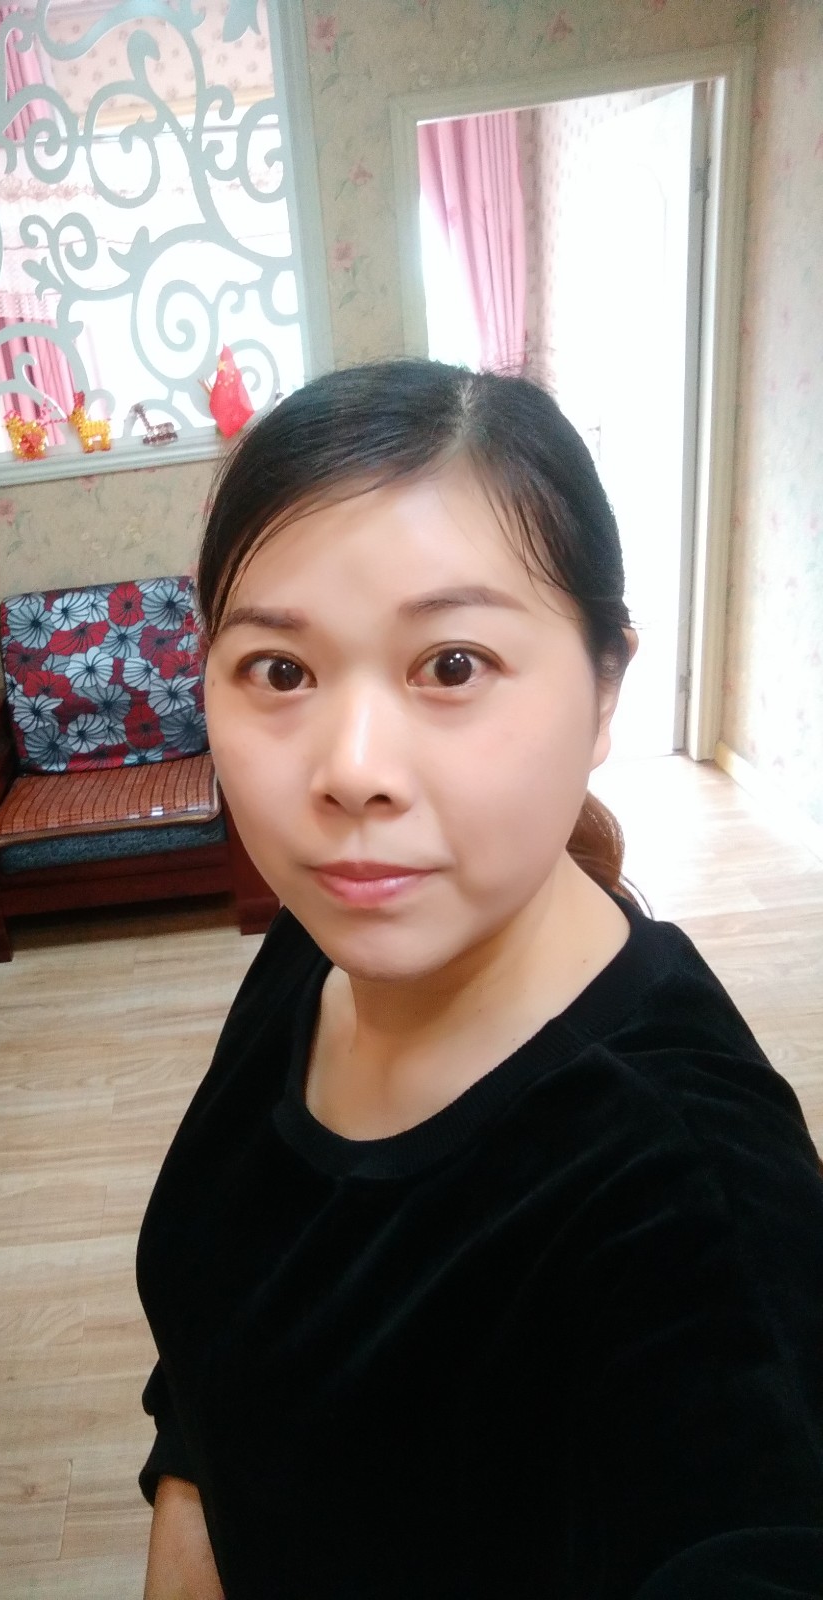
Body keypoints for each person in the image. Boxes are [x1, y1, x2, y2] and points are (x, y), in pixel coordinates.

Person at [135, 360, 823, 1600]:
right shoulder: (323, 939)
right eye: (280, 671)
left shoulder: (694, 1196)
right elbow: (226, 1310)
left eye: (452, 665)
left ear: (605, 688)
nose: (351, 772)